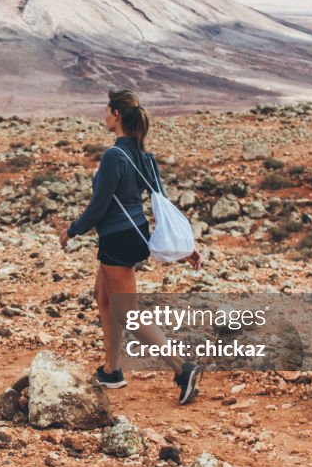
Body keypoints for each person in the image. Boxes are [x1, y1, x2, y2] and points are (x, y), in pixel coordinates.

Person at [60, 89, 204, 405]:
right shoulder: (144, 156)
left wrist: (71, 231)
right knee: (103, 297)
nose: (104, 115)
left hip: (118, 238)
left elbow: (98, 207)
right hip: (132, 234)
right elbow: (163, 201)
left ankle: (182, 369)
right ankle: (111, 370)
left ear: (117, 115)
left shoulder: (114, 156)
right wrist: (186, 245)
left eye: (107, 110)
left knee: (128, 313)